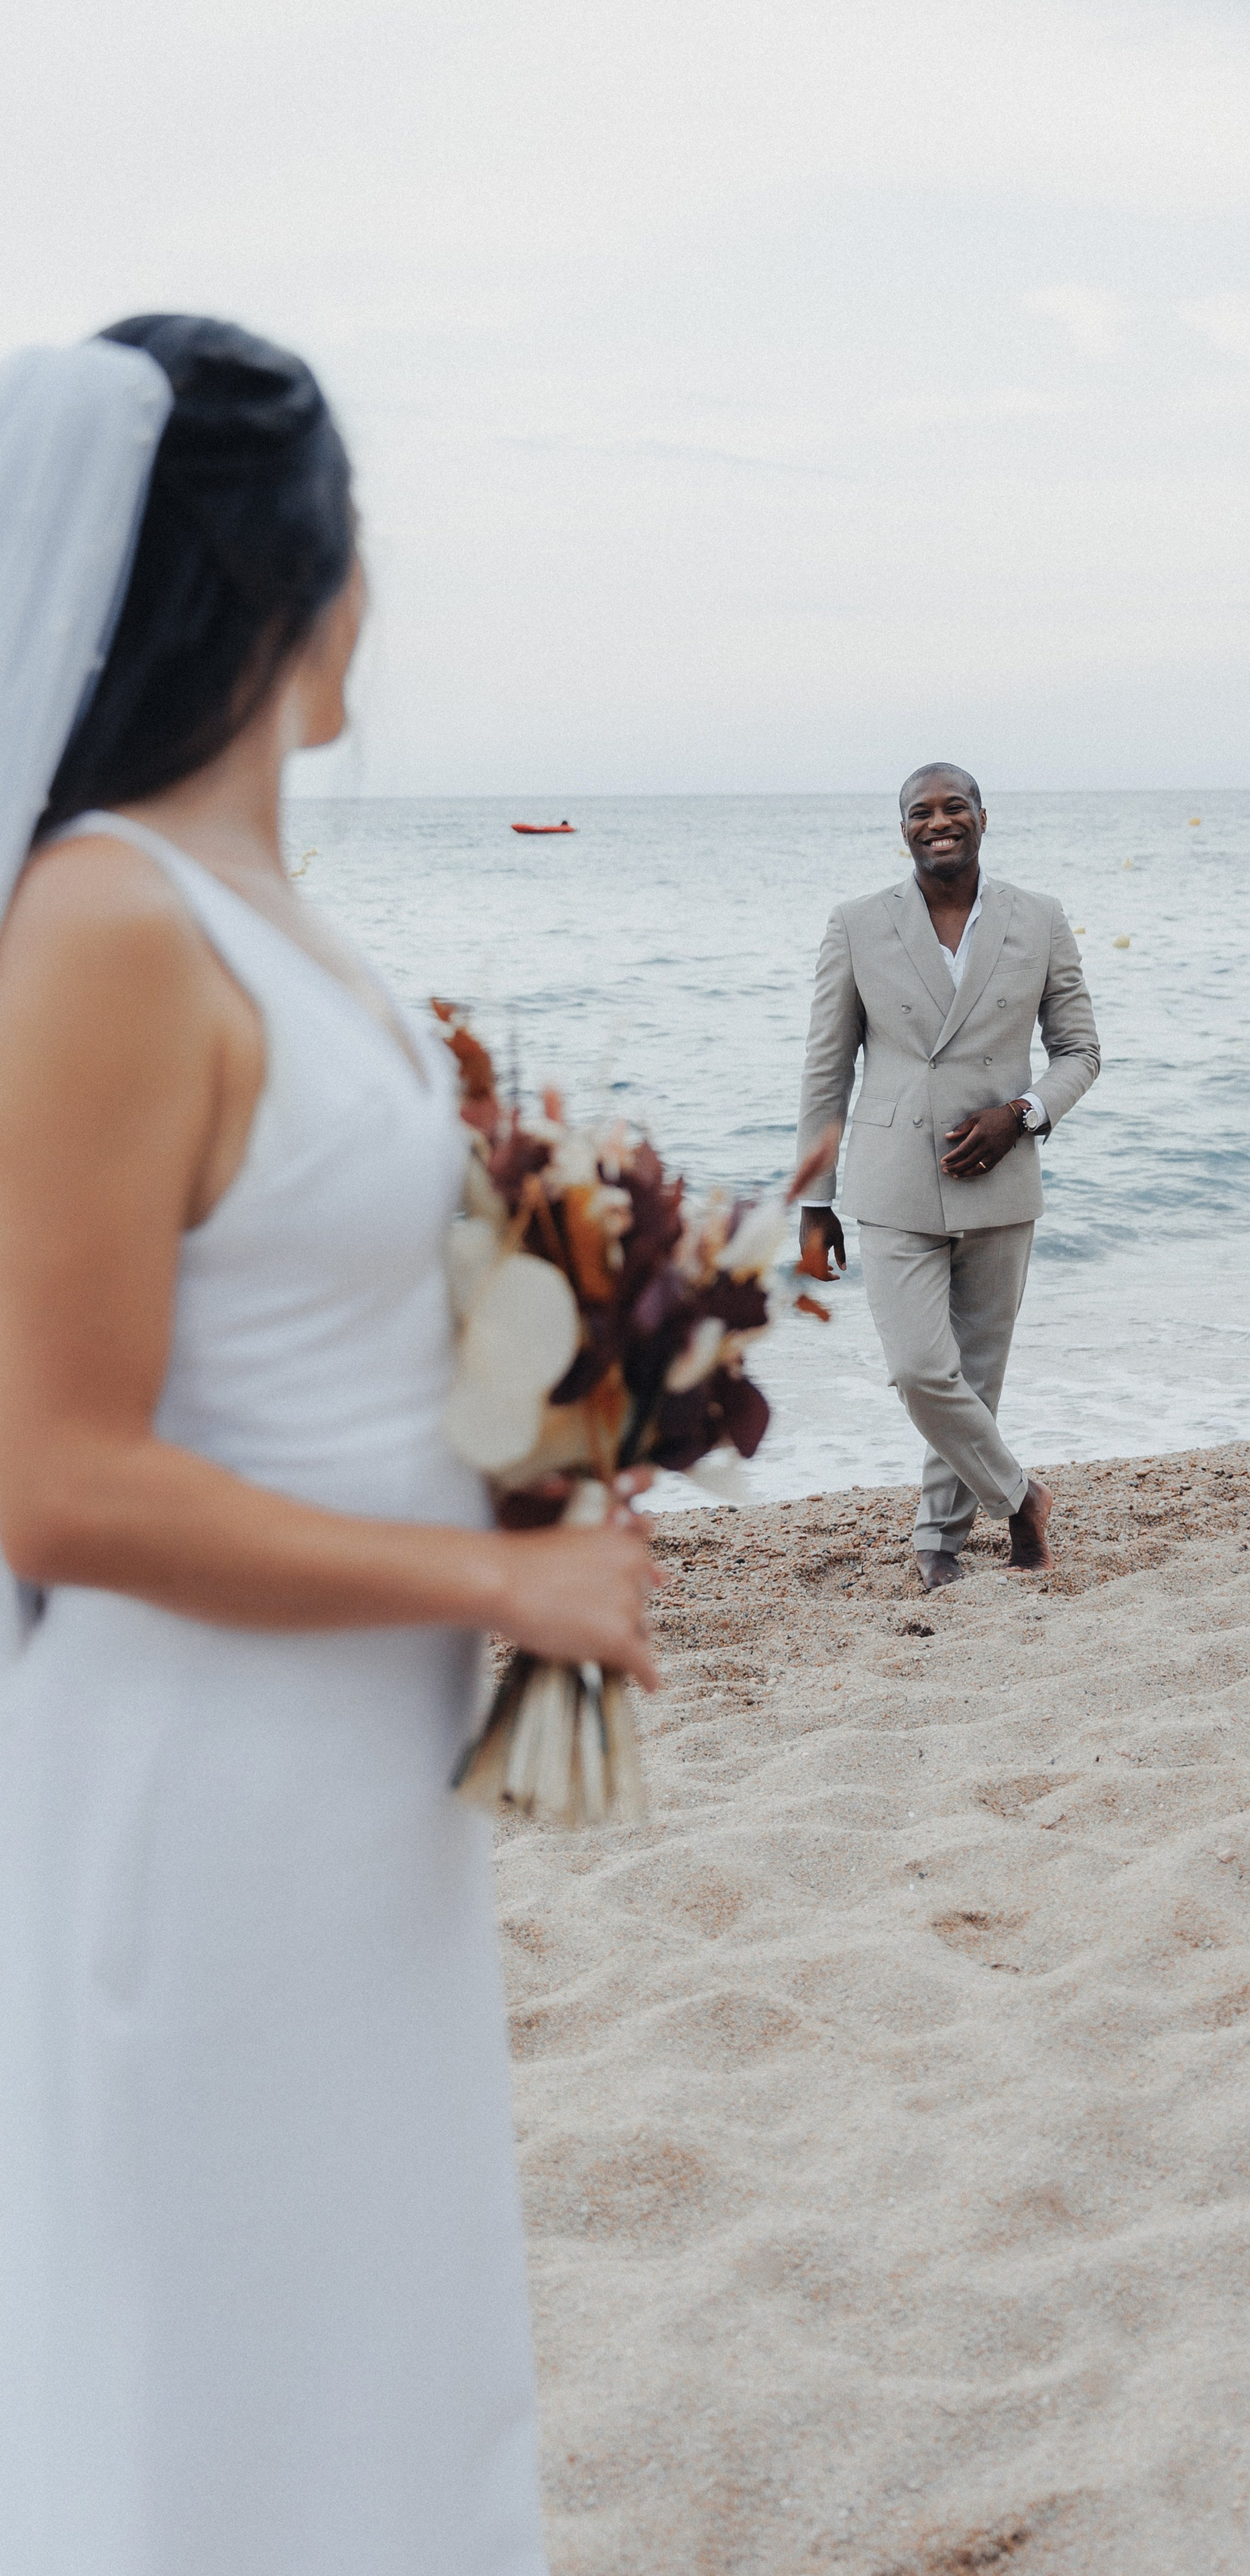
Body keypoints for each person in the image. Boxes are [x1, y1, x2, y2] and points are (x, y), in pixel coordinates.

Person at [0, 319, 659, 2576]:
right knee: (223, 2375)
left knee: (371, 2347)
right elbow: (54, 1478)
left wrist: (557, 1424)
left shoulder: (275, 923)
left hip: (356, 1785)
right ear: (290, 575)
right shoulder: (105, 919)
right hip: (206, 1781)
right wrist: (501, 1579)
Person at [796, 763, 1100, 1590]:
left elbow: (1079, 1051)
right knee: (921, 1370)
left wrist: (1023, 1114)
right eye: (919, 812)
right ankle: (1022, 1498)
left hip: (1001, 1178)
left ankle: (939, 1539)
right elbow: (827, 1067)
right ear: (902, 829)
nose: (938, 822)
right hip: (892, 1179)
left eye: (954, 807)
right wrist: (815, 1198)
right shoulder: (857, 924)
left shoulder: (1038, 918)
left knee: (977, 1375)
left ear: (982, 817)